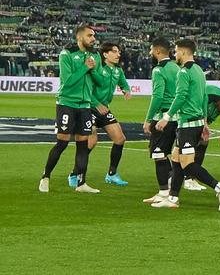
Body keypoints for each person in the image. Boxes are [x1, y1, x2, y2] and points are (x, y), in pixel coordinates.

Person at [152, 40, 220, 210]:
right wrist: (204, 121)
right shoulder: (198, 71)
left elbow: (180, 97)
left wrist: (166, 117)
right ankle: (172, 198)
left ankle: (219, 188)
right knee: (176, 158)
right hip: (196, 122)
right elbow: (204, 97)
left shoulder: (184, 72)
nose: (175, 54)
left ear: (183, 52)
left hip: (187, 124)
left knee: (187, 163)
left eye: (176, 51)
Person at [39, 25, 103, 193]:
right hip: (67, 103)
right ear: (79, 37)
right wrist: (85, 68)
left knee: (83, 145)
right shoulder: (66, 54)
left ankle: (81, 184)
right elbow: (67, 82)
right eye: (90, 35)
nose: (93, 39)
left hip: (85, 106)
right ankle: (45, 177)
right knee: (62, 142)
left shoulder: (95, 55)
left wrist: (92, 69)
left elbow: (101, 81)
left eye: (94, 36)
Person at [69, 42, 131, 187]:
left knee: (120, 139)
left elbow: (123, 83)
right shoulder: (97, 68)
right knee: (91, 141)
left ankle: (112, 174)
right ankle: (74, 173)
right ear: (105, 54)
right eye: (114, 51)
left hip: (104, 110)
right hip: (89, 108)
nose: (118, 54)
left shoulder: (117, 70)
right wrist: (96, 103)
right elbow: (87, 88)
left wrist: (126, 90)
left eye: (119, 52)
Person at [142, 38, 180, 204]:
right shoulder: (176, 67)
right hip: (176, 117)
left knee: (158, 154)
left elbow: (157, 96)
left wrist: (148, 119)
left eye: (151, 50)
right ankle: (170, 184)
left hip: (162, 118)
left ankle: (164, 193)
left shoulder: (159, 69)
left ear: (157, 51)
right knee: (166, 154)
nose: (150, 53)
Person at [183, 85, 220, 191]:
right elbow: (195, 107)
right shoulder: (209, 95)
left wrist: (206, 126)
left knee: (203, 143)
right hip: (188, 118)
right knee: (186, 150)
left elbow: (212, 116)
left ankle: (191, 178)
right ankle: (180, 178)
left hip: (200, 122)